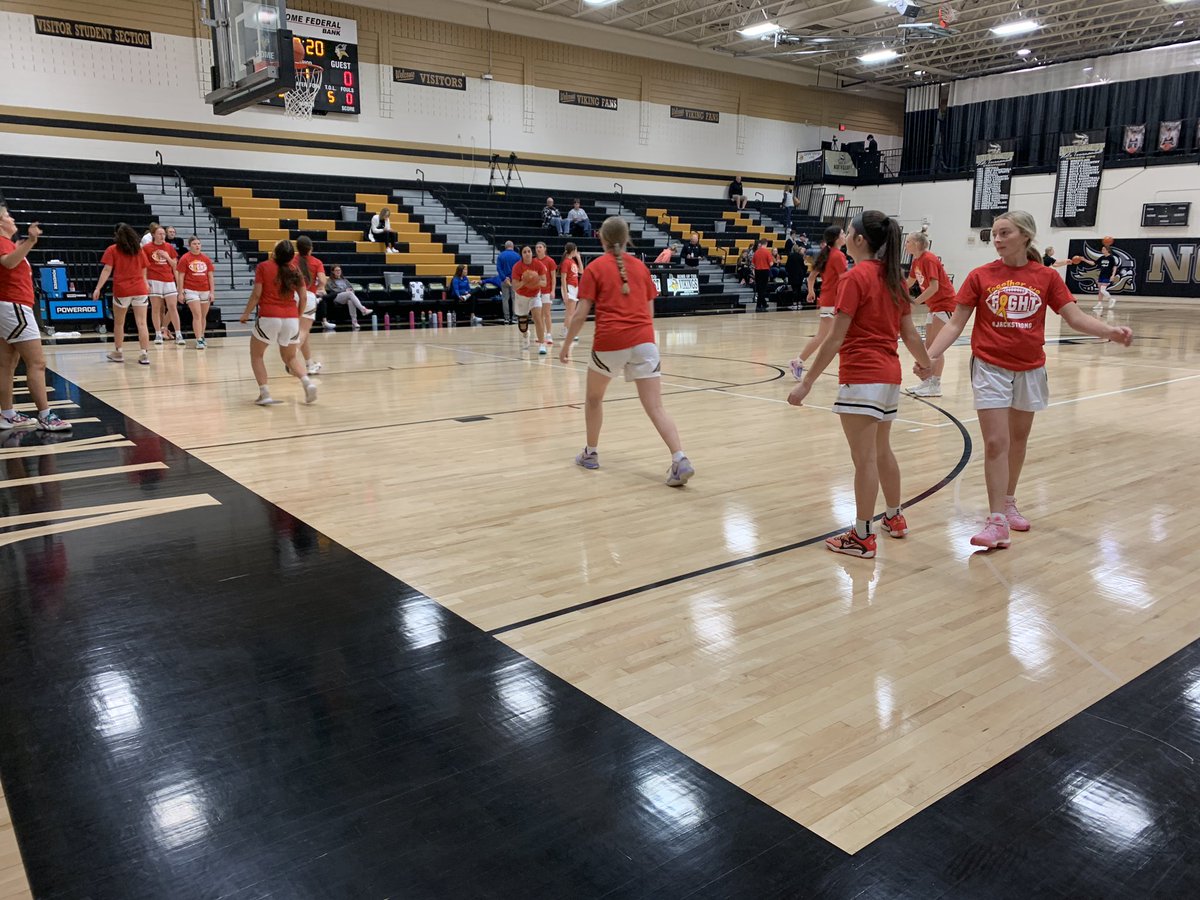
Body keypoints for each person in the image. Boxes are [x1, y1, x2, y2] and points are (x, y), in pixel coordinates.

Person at [920, 210, 1133, 550]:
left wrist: (1110, 331)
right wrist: (929, 356)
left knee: (1017, 442)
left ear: (1025, 236)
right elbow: (955, 323)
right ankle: (996, 522)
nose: (997, 239)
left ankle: (1008, 501)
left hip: (1030, 368)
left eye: (1004, 233)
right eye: (995, 234)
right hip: (990, 366)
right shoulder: (979, 275)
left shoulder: (1046, 277)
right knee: (995, 443)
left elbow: (1075, 317)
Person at [786, 211, 931, 559]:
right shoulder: (894, 277)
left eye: (850, 232)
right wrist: (927, 365)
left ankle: (863, 535)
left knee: (864, 459)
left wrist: (806, 383)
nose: (846, 236)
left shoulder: (855, 278)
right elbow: (910, 334)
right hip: (889, 376)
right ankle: (894, 517)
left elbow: (835, 339)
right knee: (882, 452)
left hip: (862, 376)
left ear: (860, 240)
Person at [561, 216, 694, 488]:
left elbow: (580, 314)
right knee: (656, 407)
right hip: (645, 340)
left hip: (610, 341)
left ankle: (591, 453)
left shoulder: (595, 268)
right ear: (627, 237)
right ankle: (679, 458)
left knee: (594, 399)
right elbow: (649, 313)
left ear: (602, 239)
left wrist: (565, 345)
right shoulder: (641, 268)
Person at [0, 206, 71, 431]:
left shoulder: (9, 244)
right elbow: (8, 263)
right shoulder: (2, 242)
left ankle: (7, 414)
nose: (12, 219)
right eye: (7, 216)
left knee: (7, 363)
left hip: (7, 306)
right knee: (37, 363)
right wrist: (30, 242)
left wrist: (23, 245)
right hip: (14, 306)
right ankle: (45, 416)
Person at [239, 239, 317, 406]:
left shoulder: (264, 267)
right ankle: (307, 383)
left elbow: (256, 294)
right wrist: (297, 315)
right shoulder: (295, 270)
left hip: (269, 315)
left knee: (257, 355)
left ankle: (265, 393)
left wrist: (246, 313)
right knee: (290, 357)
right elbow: (303, 297)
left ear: (275, 253)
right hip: (291, 318)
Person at [902, 231, 956, 398]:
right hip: (934, 307)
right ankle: (928, 382)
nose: (906, 244)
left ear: (917, 243)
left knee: (936, 348)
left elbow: (934, 287)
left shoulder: (929, 259)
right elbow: (909, 282)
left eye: (908, 241)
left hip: (945, 304)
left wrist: (914, 303)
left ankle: (935, 384)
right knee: (929, 346)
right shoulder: (917, 260)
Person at [790, 225, 847, 379]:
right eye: (843, 233)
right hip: (834, 301)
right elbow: (846, 280)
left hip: (828, 300)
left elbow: (811, 277)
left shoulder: (827, 254)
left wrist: (811, 290)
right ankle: (848, 371)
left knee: (824, 337)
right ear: (836, 238)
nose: (845, 235)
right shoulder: (837, 256)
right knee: (832, 337)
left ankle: (798, 361)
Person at [95, 223, 152, 366]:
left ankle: (119, 352)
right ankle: (144, 354)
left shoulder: (112, 249)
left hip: (123, 290)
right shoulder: (138, 250)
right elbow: (144, 268)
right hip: (140, 289)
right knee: (142, 323)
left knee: (119, 323)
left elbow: (107, 270)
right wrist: (145, 283)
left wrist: (98, 288)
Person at [143, 226, 181, 346]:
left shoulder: (169, 247)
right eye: (160, 234)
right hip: (153, 279)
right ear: (153, 235)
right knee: (156, 308)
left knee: (172, 307)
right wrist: (145, 282)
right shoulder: (146, 248)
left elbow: (175, 265)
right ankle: (158, 333)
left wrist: (167, 257)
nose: (162, 236)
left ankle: (178, 334)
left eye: (163, 234)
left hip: (168, 279)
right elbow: (143, 266)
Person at [175, 235, 215, 349]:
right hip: (191, 289)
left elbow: (210, 276)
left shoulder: (206, 259)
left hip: (205, 289)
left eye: (198, 244)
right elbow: (181, 276)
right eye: (194, 244)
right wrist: (180, 292)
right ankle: (198, 340)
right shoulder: (185, 258)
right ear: (190, 245)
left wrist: (212, 292)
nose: (197, 246)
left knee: (203, 316)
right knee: (197, 315)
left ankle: (202, 336)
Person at [294, 235, 325, 375]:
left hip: (292, 297)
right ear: (310, 248)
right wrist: (321, 287)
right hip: (307, 296)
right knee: (303, 331)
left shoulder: (292, 260)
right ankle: (291, 358)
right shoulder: (316, 262)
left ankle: (309, 364)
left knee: (304, 332)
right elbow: (323, 280)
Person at [511, 245, 545, 352]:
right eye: (525, 252)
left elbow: (544, 282)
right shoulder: (517, 267)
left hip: (535, 295)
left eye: (529, 251)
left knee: (537, 318)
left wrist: (534, 280)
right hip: (521, 296)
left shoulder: (538, 264)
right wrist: (525, 282)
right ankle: (526, 335)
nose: (527, 253)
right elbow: (515, 286)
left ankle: (541, 344)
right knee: (522, 325)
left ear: (532, 252)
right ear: (521, 254)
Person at [324, 264, 372, 329]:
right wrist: (346, 290)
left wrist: (351, 290)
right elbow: (334, 290)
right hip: (336, 296)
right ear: (333, 272)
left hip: (346, 296)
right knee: (349, 294)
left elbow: (351, 288)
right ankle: (363, 309)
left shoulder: (344, 280)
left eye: (339, 270)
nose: (338, 271)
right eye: (336, 270)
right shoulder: (330, 280)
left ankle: (354, 322)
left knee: (351, 300)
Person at [534, 241, 557, 351]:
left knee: (547, 313)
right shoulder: (534, 261)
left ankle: (549, 334)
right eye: (537, 247)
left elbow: (553, 277)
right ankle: (541, 334)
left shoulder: (550, 261)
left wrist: (553, 290)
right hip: (536, 291)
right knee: (539, 315)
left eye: (540, 247)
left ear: (545, 248)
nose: (538, 249)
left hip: (547, 290)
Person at [560, 242, 583, 341]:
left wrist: (578, 258)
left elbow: (581, 271)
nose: (577, 252)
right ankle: (568, 333)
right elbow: (563, 279)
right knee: (571, 313)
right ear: (573, 250)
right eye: (576, 251)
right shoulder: (566, 262)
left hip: (574, 288)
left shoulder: (572, 261)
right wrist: (565, 293)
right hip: (569, 288)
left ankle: (565, 331)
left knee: (570, 312)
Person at [496, 240, 521, 324]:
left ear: (505, 246)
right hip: (514, 280)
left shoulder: (500, 256)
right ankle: (514, 317)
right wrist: (512, 278)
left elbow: (499, 269)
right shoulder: (517, 256)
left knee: (505, 299)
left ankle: (506, 318)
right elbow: (519, 268)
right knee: (515, 299)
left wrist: (504, 278)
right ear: (512, 246)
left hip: (504, 280)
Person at [752, 238, 773, 312]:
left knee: (759, 288)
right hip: (765, 271)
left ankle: (763, 303)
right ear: (766, 243)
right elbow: (771, 263)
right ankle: (759, 305)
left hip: (757, 271)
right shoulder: (767, 252)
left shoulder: (756, 252)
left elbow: (753, 263)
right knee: (763, 289)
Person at [1094, 242, 1118, 310]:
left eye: (1103, 249)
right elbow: (1093, 263)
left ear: (1107, 250)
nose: (1102, 250)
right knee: (1100, 291)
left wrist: (1113, 275)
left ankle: (1111, 299)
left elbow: (1115, 267)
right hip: (1101, 275)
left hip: (1107, 275)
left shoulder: (1111, 258)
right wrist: (1084, 260)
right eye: (1102, 249)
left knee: (1102, 290)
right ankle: (1099, 304)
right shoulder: (1102, 257)